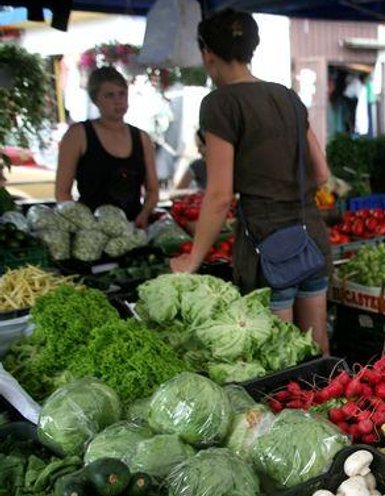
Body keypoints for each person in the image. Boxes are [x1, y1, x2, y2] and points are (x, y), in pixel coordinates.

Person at [170, 9, 332, 354]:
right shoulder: (288, 97)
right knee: (318, 349)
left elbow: (218, 194)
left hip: (266, 244)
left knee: (278, 357)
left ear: (207, 54)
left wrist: (193, 260)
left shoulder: (220, 104)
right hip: (311, 236)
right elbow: (321, 173)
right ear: (251, 50)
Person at [55, 66, 159, 227]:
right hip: (90, 230)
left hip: (132, 228)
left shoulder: (142, 138)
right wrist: (86, 226)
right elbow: (62, 192)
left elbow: (152, 190)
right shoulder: (78, 135)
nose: (118, 101)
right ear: (95, 99)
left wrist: (144, 214)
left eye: (122, 94)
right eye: (110, 95)